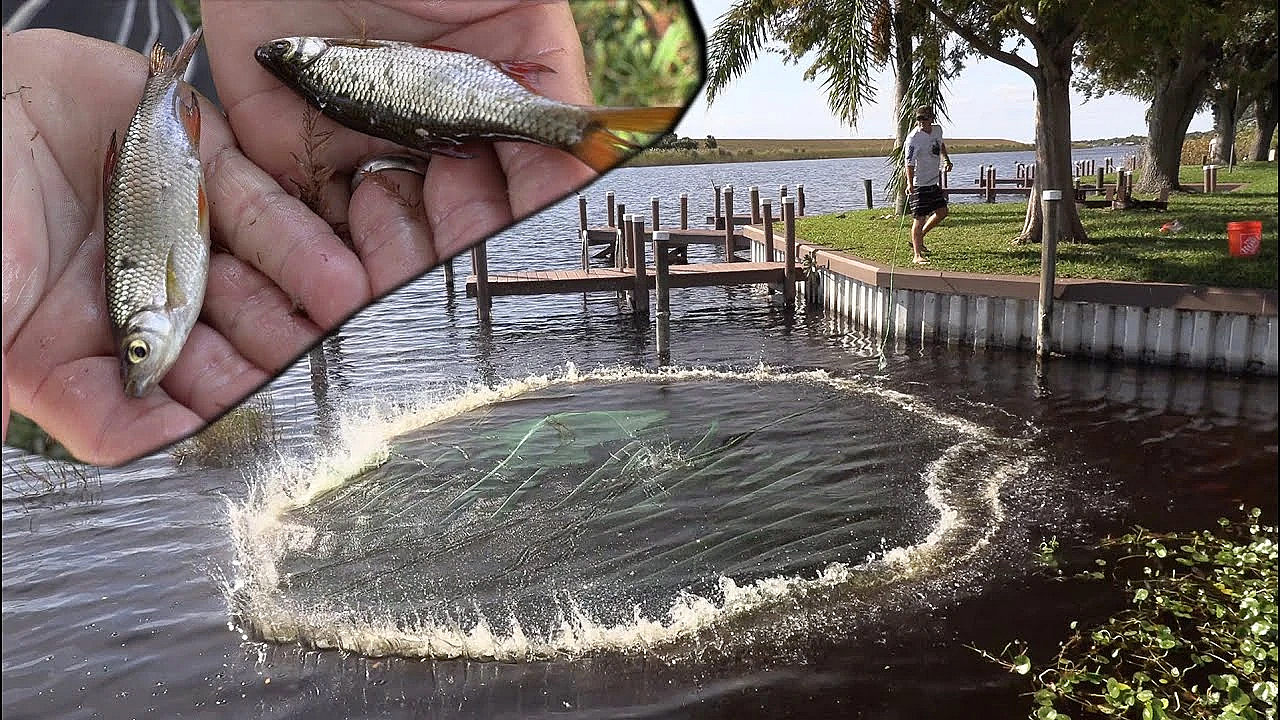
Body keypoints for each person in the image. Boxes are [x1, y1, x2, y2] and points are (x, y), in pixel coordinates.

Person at [1, 3, 604, 466]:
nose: (143, 361)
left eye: (139, 352)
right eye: (138, 352)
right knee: (222, 138)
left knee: (216, 112)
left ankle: (169, 84)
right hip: (76, 92)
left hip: (109, 52)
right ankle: (171, 88)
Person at [904, 105, 953, 265]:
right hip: (919, 184)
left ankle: (920, 237)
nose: (922, 122)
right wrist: (910, 184)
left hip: (933, 181)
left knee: (942, 212)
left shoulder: (937, 130)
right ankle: (917, 255)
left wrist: (946, 159)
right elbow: (909, 162)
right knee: (919, 219)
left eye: (925, 118)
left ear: (932, 118)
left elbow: (941, 144)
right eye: (919, 119)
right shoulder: (913, 138)